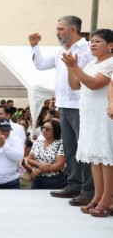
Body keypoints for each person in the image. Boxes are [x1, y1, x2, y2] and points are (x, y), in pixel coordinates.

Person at [29, 15, 94, 206]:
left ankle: (88, 189)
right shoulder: (60, 52)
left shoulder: (87, 49)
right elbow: (40, 65)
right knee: (71, 148)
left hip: (81, 105)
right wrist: (34, 46)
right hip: (64, 105)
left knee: (84, 150)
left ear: (73, 30)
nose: (57, 33)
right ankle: (74, 184)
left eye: (60, 29)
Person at [62, 28, 113, 217]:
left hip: (105, 116)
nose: (92, 44)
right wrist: (70, 67)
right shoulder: (93, 63)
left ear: (110, 46)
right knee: (94, 156)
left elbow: (94, 84)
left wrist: (75, 68)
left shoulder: (111, 63)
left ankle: (108, 199)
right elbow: (75, 85)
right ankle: (98, 196)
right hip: (90, 116)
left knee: (107, 157)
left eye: (98, 41)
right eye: (91, 41)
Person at [22, 120, 65, 190]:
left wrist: (39, 170)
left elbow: (59, 165)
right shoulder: (38, 142)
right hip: (36, 179)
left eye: (47, 129)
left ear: (55, 130)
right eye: (43, 128)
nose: (44, 130)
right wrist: (40, 165)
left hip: (52, 180)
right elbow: (29, 160)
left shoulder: (60, 144)